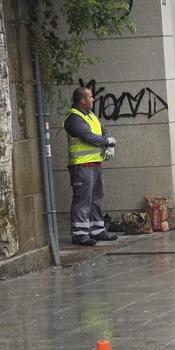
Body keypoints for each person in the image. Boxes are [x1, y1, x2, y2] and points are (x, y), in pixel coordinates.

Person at [65, 87, 117, 246]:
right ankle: (80, 235)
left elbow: (103, 130)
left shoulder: (90, 115)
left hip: (94, 164)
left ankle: (97, 230)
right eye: (90, 97)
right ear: (82, 100)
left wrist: (108, 143)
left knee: (95, 199)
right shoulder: (74, 118)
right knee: (83, 199)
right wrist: (107, 142)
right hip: (81, 166)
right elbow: (88, 137)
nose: (93, 99)